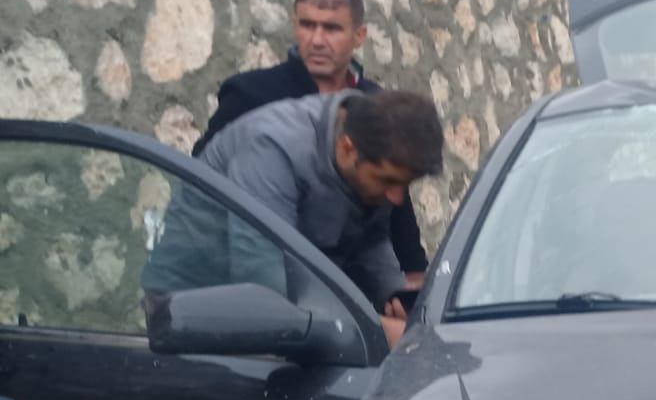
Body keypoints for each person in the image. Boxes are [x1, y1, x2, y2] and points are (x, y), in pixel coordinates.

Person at [146, 89, 444, 349]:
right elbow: (265, 291)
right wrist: (378, 331)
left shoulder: (369, 145)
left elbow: (371, 239)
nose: (397, 198)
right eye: (388, 181)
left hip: (292, 303)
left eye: (406, 184)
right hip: (190, 315)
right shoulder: (271, 150)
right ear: (347, 147)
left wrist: (397, 299)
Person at [197, 0, 429, 290]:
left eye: (332, 29)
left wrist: (412, 273)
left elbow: (393, 193)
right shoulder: (250, 95)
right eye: (307, 25)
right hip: (256, 278)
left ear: (359, 36)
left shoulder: (374, 102)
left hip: (352, 280)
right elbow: (200, 182)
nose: (317, 40)